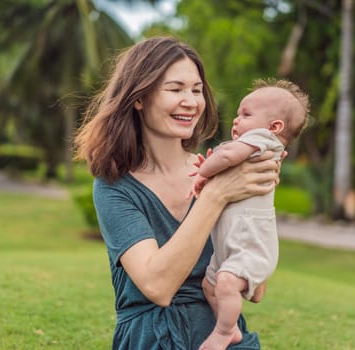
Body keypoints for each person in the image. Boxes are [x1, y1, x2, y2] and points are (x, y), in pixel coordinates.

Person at [74, 36, 282, 350]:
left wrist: (255, 200)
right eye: (175, 89)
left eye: (197, 90)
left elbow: (256, 290)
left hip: (223, 338)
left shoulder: (226, 172)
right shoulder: (114, 187)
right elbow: (157, 286)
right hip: (152, 339)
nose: (192, 102)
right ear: (139, 98)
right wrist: (215, 196)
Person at [190, 79, 310, 350]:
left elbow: (227, 156)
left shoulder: (262, 140)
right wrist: (211, 168)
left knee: (224, 282)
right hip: (231, 247)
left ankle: (225, 331)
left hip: (250, 248)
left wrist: (203, 171)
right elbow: (227, 168)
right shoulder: (254, 148)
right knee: (210, 287)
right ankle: (227, 323)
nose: (235, 120)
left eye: (245, 114)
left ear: (274, 127)